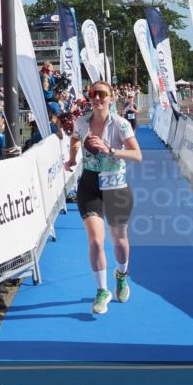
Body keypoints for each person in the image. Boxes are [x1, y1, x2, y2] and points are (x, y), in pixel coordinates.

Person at [64, 80, 142, 315]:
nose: (97, 98)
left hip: (116, 187)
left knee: (119, 241)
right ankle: (102, 290)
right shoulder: (81, 122)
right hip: (89, 185)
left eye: (102, 94)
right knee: (96, 241)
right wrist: (72, 157)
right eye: (93, 94)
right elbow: (75, 138)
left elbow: (137, 155)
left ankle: (121, 275)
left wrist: (110, 150)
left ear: (111, 98)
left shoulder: (120, 124)